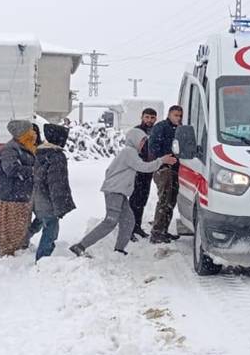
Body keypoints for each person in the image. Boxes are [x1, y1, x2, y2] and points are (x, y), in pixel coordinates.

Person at [70, 128, 175, 257]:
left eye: (144, 141)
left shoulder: (129, 153)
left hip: (118, 191)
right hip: (115, 191)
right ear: (134, 140)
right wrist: (161, 161)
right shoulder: (128, 152)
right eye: (141, 140)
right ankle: (80, 246)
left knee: (128, 220)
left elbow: (109, 171)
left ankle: (119, 250)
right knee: (110, 221)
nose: (143, 144)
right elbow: (143, 167)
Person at [31, 124, 75, 261]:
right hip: (48, 199)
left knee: (39, 221)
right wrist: (60, 206)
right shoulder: (56, 156)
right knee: (51, 229)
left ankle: (21, 241)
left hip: (37, 196)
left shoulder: (41, 152)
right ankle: (42, 259)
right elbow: (57, 184)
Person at [0, 120, 37, 256]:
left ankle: (19, 249)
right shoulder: (10, 148)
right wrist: (34, 170)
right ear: (22, 132)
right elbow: (11, 169)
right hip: (11, 195)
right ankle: (9, 252)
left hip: (22, 194)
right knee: (11, 226)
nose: (34, 133)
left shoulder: (25, 146)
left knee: (21, 225)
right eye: (30, 130)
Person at [147, 106, 183, 244]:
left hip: (175, 169)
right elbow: (153, 146)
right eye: (176, 115)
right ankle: (156, 233)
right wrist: (163, 159)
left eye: (180, 115)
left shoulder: (180, 129)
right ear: (169, 114)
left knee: (171, 201)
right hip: (163, 169)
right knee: (164, 200)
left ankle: (164, 230)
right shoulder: (160, 127)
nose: (178, 118)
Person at [128, 108, 158, 240]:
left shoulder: (156, 131)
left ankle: (137, 226)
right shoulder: (136, 131)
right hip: (137, 170)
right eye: (147, 117)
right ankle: (129, 229)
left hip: (149, 170)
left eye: (152, 118)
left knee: (143, 199)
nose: (149, 120)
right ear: (142, 117)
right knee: (134, 200)